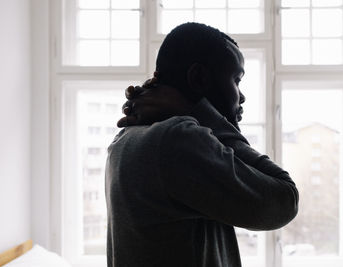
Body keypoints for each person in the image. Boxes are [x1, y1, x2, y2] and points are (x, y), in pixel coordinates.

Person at [105, 22, 298, 267]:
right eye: (236, 80)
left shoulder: (126, 138)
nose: (242, 96)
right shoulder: (176, 139)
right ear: (199, 78)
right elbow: (284, 200)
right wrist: (197, 111)